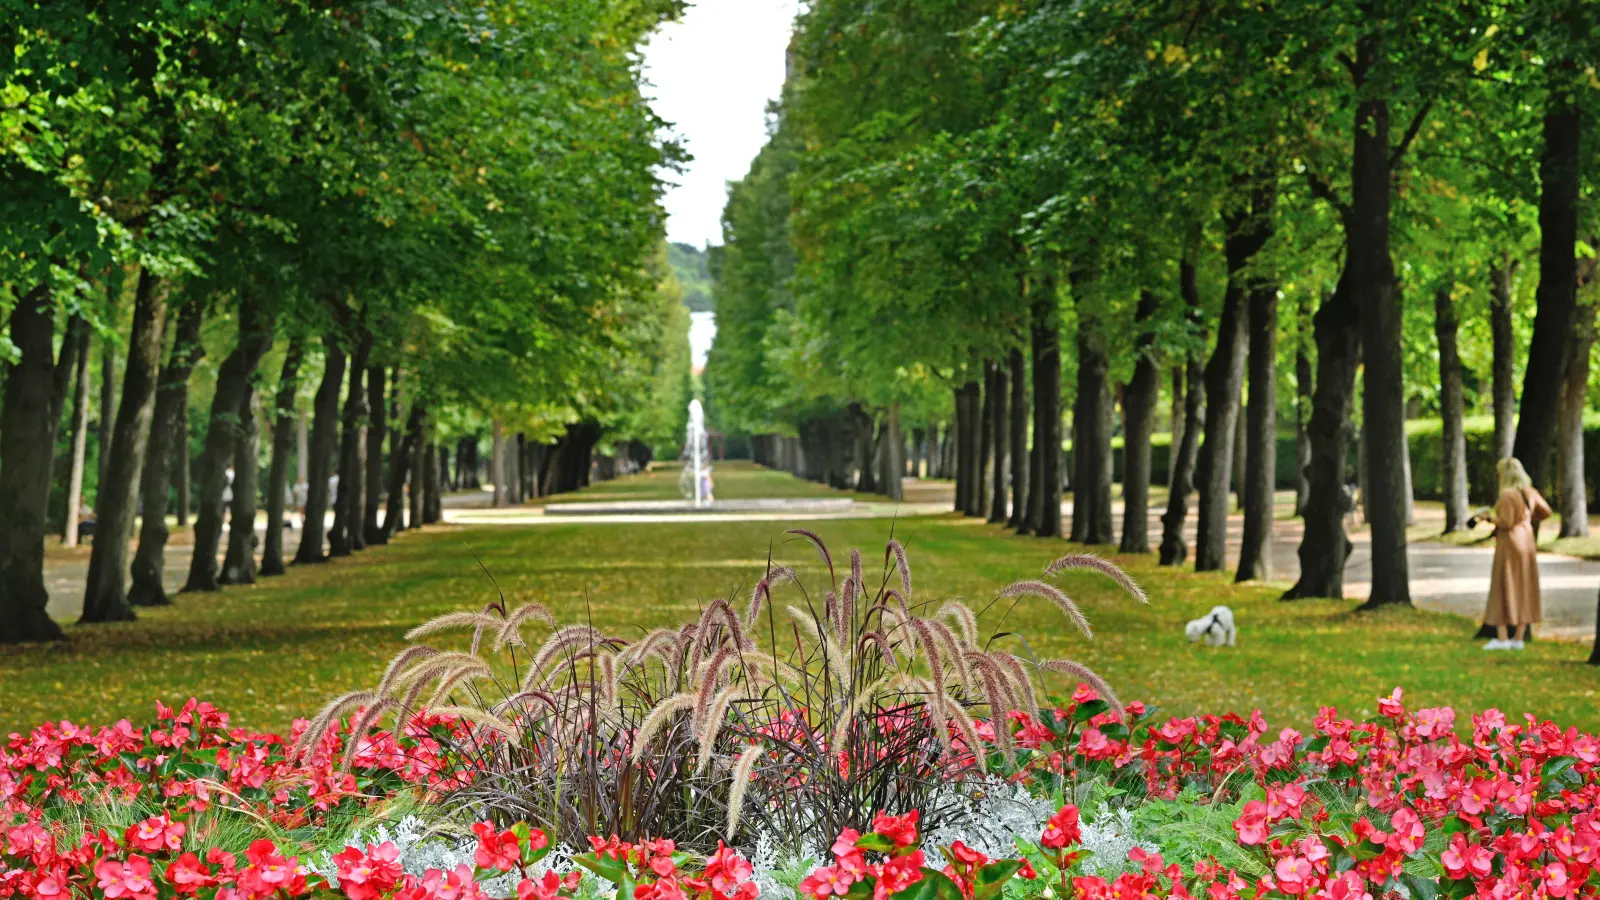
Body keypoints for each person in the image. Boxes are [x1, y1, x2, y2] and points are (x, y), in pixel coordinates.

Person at [1480, 457, 1550, 651]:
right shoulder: (1529, 492)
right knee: (1525, 587)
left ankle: (1502, 638)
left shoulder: (1507, 495)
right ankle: (1518, 637)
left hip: (1509, 543)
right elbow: (1546, 511)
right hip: (1526, 541)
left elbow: (1505, 522)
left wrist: (1488, 518)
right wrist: (1527, 518)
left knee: (1502, 586)